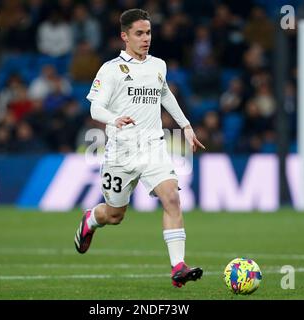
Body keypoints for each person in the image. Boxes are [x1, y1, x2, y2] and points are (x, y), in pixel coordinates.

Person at [74, 9, 205, 288]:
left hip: (153, 147)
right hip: (120, 152)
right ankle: (90, 220)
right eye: (139, 33)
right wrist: (113, 118)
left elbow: (165, 93)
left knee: (171, 197)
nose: (146, 39)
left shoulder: (158, 65)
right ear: (124, 36)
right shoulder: (111, 70)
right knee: (114, 215)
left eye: (148, 33)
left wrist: (185, 125)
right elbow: (95, 106)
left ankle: (178, 266)